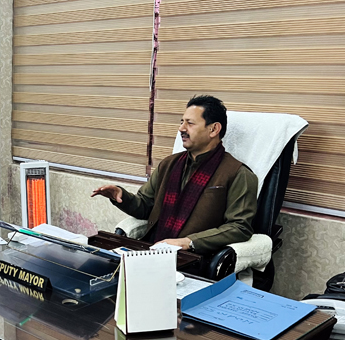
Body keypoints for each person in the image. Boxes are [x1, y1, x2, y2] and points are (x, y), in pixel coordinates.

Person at [91, 95, 258, 254]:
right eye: (181, 122)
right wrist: (121, 196)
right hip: (154, 250)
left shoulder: (238, 174)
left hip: (195, 258)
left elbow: (239, 227)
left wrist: (189, 242)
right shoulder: (169, 164)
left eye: (190, 123)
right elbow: (146, 207)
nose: (181, 129)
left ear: (214, 129)